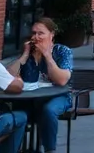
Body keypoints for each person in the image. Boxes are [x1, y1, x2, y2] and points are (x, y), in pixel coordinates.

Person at [8, 18, 72, 152]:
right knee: (15, 113)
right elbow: (8, 77)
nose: (35, 37)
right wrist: (24, 55)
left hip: (58, 96)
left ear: (52, 34)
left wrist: (47, 55)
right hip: (30, 97)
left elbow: (62, 80)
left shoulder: (62, 51)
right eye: (33, 33)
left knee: (48, 110)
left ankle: (49, 150)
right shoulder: (28, 53)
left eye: (40, 33)